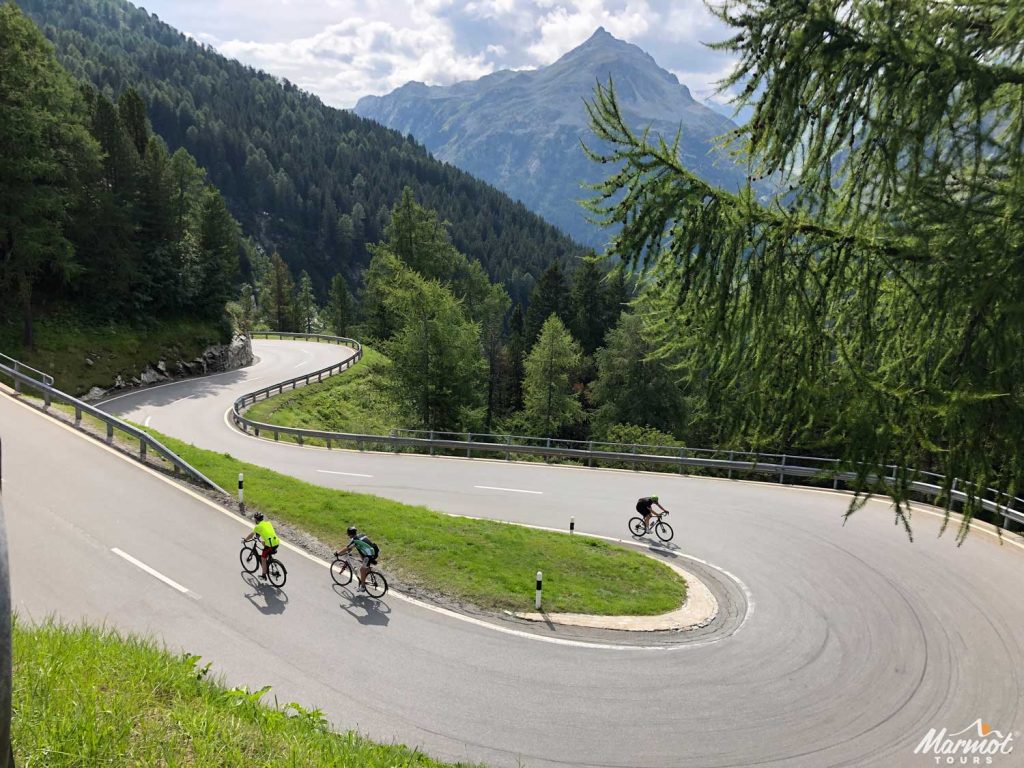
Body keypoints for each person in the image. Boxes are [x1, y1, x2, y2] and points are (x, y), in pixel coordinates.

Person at [336, 526, 379, 592]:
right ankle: (366, 573)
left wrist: (338, 553)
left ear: (349, 534)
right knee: (362, 559)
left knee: (362, 569)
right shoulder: (361, 535)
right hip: (375, 551)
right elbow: (359, 546)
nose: (348, 535)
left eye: (348, 534)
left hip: (370, 555)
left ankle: (362, 587)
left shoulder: (354, 540)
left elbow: (347, 548)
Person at [242, 512, 279, 581]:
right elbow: (264, 532)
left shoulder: (258, 527)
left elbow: (251, 535)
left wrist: (245, 540)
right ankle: (270, 559)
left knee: (263, 558)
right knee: (263, 543)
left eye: (255, 519)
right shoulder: (268, 523)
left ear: (256, 520)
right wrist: (258, 537)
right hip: (276, 542)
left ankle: (263, 575)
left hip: (270, 545)